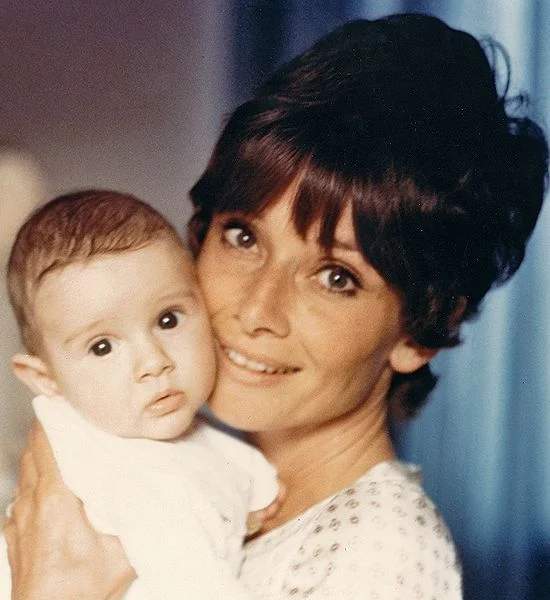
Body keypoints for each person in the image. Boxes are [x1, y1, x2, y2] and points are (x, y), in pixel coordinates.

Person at [4, 13, 548, 600]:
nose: (256, 309)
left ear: (421, 328)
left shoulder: (381, 558)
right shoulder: (162, 464)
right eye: (243, 237)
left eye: (336, 277)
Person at [1, 190, 280, 599]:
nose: (153, 362)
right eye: (102, 347)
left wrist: (254, 497)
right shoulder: (105, 468)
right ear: (46, 379)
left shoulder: (188, 436)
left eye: (168, 320)